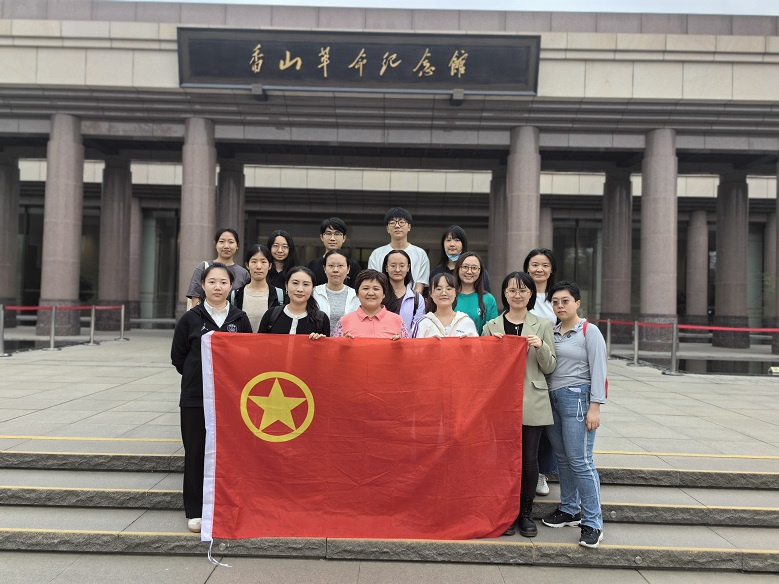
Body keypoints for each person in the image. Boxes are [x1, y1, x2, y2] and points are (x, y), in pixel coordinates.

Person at [171, 263, 252, 533]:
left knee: (229, 453)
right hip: (196, 397)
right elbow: (178, 357)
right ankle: (195, 510)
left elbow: (248, 355)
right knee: (195, 452)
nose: (218, 287)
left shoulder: (240, 318)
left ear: (232, 286)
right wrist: (200, 376)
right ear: (203, 286)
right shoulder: (190, 319)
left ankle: (225, 506)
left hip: (230, 399)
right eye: (212, 282)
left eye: (223, 282)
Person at [482, 272, 556, 538]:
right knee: (502, 459)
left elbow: (550, 366)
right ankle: (506, 513)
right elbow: (483, 368)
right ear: (504, 294)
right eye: (512, 290)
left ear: (531, 294)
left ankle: (525, 512)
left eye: (523, 290)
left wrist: (541, 346)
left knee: (529, 459)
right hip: (501, 402)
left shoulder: (542, 325)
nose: (517, 295)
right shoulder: (491, 326)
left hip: (532, 399)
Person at [541, 281, 607, 549]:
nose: (560, 306)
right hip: (552, 399)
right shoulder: (552, 332)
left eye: (565, 301)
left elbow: (600, 370)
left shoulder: (589, 331)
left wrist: (595, 407)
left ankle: (593, 522)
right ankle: (570, 510)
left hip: (577, 399)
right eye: (555, 302)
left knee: (581, 461)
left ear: (577, 303)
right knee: (563, 459)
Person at [523, 248, 558, 497]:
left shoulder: (556, 297)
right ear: (527, 267)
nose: (539, 269)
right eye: (534, 264)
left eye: (545, 265)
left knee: (547, 423)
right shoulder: (521, 293)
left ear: (551, 269)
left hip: (550, 363)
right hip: (525, 367)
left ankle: (542, 472)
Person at [367, 207, 429, 294]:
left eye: (402, 222)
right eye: (392, 223)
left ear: (409, 227)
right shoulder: (376, 254)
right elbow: (374, 282)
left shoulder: (420, 254)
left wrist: (409, 300)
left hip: (412, 300)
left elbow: (420, 286)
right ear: (387, 228)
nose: (397, 226)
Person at [332, 269, 409, 339]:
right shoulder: (344, 321)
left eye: (376, 289)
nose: (371, 293)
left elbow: (409, 348)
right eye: (365, 288)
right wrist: (343, 343)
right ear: (357, 293)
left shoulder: (398, 321)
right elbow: (333, 348)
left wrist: (400, 344)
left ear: (384, 294)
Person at [185, 228, 250, 308]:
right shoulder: (204, 267)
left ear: (237, 245)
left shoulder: (243, 273)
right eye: (222, 241)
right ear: (215, 244)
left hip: (234, 315)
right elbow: (196, 298)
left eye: (231, 242)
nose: (226, 246)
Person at [258, 266, 329, 338]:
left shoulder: (321, 319)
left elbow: (327, 344)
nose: (300, 289)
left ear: (313, 288)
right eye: (295, 283)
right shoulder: (271, 314)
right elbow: (259, 342)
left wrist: (320, 341)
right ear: (286, 286)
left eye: (306, 284)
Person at [229, 244, 284, 333]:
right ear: (247, 265)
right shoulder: (236, 295)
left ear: (270, 266)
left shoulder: (279, 295)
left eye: (263, 262)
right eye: (254, 261)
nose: (258, 266)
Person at [413, 272, 478, 338]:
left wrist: (468, 343)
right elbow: (412, 344)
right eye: (438, 289)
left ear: (456, 293)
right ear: (431, 294)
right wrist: (428, 343)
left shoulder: (466, 322)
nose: (444, 293)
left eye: (449, 289)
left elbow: (477, 344)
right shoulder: (422, 324)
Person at [312, 249, 360, 335]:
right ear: (324, 269)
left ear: (348, 269)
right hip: (318, 341)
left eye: (340, 266)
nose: (335, 270)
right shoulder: (314, 292)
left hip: (347, 342)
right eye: (331, 265)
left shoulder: (356, 296)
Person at [430, 225, 491, 292]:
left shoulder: (476, 270)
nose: (452, 244)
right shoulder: (436, 272)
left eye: (457, 240)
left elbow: (485, 293)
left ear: (463, 244)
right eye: (448, 240)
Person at [307, 217, 362, 287]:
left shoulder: (353, 266)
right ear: (321, 237)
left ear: (344, 238)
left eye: (337, 234)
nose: (332, 238)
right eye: (328, 233)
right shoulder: (312, 266)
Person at [381, 249, 425, 334]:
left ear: (408, 268)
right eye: (393, 266)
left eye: (402, 266)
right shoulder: (378, 294)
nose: (397, 270)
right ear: (386, 268)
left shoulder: (417, 299)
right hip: (381, 341)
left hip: (407, 342)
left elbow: (418, 329)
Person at [453, 252, 498, 333]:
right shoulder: (448, 296)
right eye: (465, 267)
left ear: (480, 271)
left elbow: (492, 332)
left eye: (474, 268)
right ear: (458, 268)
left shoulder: (488, 299)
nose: (469, 272)